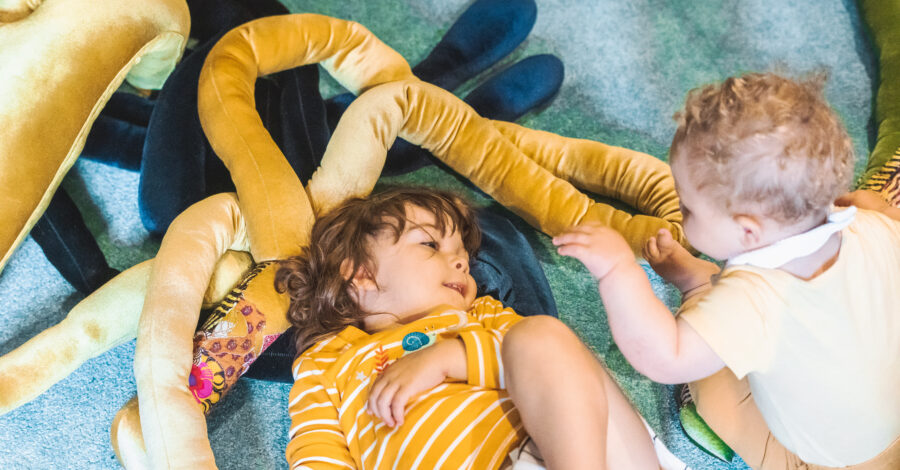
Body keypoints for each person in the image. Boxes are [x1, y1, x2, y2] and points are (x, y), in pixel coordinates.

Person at [546, 72, 900, 469]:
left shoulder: (752, 298)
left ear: (748, 230)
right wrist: (873, 206)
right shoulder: (876, 228)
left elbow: (666, 357)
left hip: (830, 463)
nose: (683, 214)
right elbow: (875, 206)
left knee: (717, 393)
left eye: (689, 209)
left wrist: (617, 270)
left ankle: (697, 286)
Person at [276, 186, 659, 469]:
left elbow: (557, 372)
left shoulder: (479, 315)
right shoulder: (324, 363)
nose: (461, 263)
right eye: (430, 245)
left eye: (462, 254)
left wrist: (451, 357)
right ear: (361, 274)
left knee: (541, 335)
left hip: (572, 453)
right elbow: (316, 449)